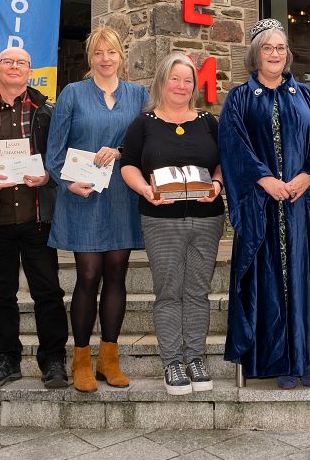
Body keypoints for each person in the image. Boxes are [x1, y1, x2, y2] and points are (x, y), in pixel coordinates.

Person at [220, 20, 310, 389]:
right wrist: (264, 179)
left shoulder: (305, 96)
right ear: (255, 53)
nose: (275, 54)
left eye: (280, 48)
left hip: (303, 206)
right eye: (267, 48)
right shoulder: (239, 98)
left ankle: (308, 358)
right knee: (270, 278)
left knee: (305, 276)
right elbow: (233, 145)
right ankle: (279, 362)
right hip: (262, 205)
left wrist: (309, 175)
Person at [0, 46, 69, 390]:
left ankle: (53, 359)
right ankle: (7, 358)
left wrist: (48, 175)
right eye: (8, 62)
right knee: (1, 295)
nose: (15, 67)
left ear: (30, 71)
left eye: (22, 62)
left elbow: (61, 155)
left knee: (48, 293)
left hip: (38, 218)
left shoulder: (48, 112)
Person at [46, 26, 148, 392]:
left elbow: (146, 145)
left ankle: (109, 358)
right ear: (90, 58)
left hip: (121, 194)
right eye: (98, 53)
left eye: (111, 52)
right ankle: (81, 359)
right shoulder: (73, 94)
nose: (105, 59)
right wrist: (67, 183)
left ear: (121, 55)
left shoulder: (139, 95)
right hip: (83, 196)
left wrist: (119, 152)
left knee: (117, 273)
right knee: (88, 275)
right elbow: (54, 153)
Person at [119, 53, 225, 395]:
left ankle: (195, 358)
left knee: (197, 291)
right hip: (161, 220)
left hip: (207, 219)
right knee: (168, 292)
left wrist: (217, 185)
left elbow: (224, 162)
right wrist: (145, 190)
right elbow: (128, 164)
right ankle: (173, 362)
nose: (181, 86)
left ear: (195, 86)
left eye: (188, 80)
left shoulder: (208, 122)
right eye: (174, 79)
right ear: (162, 82)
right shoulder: (143, 124)